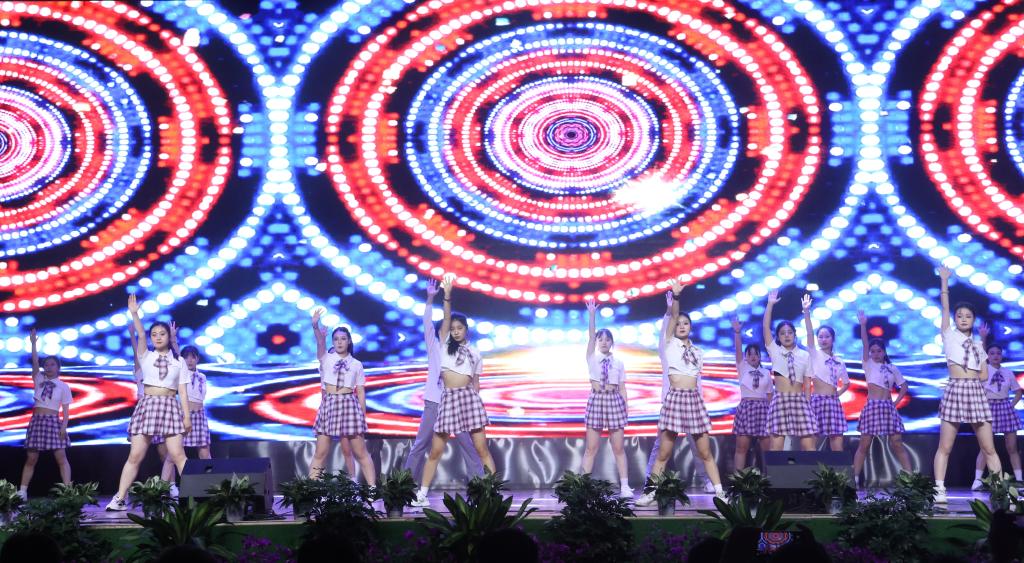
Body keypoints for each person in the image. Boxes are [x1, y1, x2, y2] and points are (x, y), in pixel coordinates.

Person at [637, 281, 725, 506]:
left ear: (691, 327)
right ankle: (650, 492)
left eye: (686, 323)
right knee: (663, 453)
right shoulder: (669, 344)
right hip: (675, 399)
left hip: (693, 400)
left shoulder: (698, 352)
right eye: (679, 324)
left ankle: (720, 493)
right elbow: (674, 316)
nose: (682, 326)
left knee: (705, 453)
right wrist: (676, 298)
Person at [411, 276, 496, 507]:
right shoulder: (444, 344)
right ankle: (421, 494)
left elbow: (476, 382)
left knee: (481, 449)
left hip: (469, 400)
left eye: (460, 328)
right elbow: (446, 317)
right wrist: (446, 296)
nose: (456, 331)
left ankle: (490, 493)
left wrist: (477, 403)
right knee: (435, 450)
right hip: (447, 399)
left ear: (466, 330)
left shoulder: (475, 353)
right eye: (453, 329)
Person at [106, 294, 190, 511]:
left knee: (178, 455)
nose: (158, 337)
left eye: (162, 334)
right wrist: (135, 314)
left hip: (170, 406)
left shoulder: (179, 361)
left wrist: (187, 417)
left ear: (169, 336)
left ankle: (194, 498)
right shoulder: (146, 355)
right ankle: (120, 498)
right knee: (135, 455)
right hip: (149, 405)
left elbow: (183, 391)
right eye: (155, 334)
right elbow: (140, 334)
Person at [933, 265, 1001, 503]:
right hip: (955, 389)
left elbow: (984, 375)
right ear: (955, 319)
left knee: (989, 448)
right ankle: (939, 490)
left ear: (973, 320)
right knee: (945, 446)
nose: (963, 319)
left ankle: (1001, 491)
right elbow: (945, 307)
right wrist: (944, 282)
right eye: (960, 315)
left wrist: (973, 373)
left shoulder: (979, 346)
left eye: (968, 316)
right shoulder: (949, 335)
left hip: (975, 392)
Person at [403, 280, 483, 482]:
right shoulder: (434, 346)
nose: (445, 333)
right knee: (420, 444)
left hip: (456, 404)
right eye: (442, 331)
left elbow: (471, 380)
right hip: (434, 402)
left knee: (468, 446)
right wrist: (430, 298)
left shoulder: (460, 352)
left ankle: (480, 486)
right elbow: (427, 323)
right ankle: (403, 486)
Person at [308, 308, 376, 485]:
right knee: (320, 453)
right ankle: (309, 492)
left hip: (349, 405)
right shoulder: (326, 358)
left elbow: (360, 392)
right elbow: (320, 343)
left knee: (360, 452)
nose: (339, 342)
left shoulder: (356, 364)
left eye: (343, 338)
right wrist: (315, 326)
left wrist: (362, 416)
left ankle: (372, 490)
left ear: (349, 341)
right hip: (330, 405)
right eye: (336, 339)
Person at [852, 310, 913, 485]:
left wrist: (895, 402)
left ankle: (911, 479)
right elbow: (864, 343)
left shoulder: (892, 368)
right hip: (872, 406)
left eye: (878, 351)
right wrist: (863, 324)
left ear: (884, 352)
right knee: (864, 444)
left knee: (897, 443)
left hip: (887, 408)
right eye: (873, 351)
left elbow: (904, 386)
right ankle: (853, 479)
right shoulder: (868, 364)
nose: (875, 354)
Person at [581, 297, 631, 497]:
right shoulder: (592, 358)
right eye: (600, 339)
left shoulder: (618, 362)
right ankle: (582, 488)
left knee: (618, 447)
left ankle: (625, 486)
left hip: (614, 401)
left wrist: (626, 407)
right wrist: (592, 315)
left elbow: (623, 388)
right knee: (591, 448)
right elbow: (590, 336)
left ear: (612, 343)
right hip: (596, 400)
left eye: (607, 339)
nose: (603, 342)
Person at [18, 329, 72, 499]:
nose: (48, 367)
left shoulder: (63, 386)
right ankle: (22, 492)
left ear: (58, 367)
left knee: (61, 458)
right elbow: (35, 361)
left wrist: (63, 427)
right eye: (46, 365)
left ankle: (68, 491)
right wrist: (33, 344)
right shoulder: (39, 379)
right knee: (31, 458)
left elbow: (66, 410)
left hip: (53, 422)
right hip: (37, 421)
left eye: (52, 364)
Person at [762, 290, 818, 451]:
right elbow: (765, 327)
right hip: (780, 400)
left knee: (809, 445)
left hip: (800, 400)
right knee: (776, 447)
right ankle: (777, 470)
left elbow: (807, 383)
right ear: (778, 337)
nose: (786, 336)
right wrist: (770, 304)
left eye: (789, 332)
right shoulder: (775, 351)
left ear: (794, 335)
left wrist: (806, 312)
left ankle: (809, 469)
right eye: (782, 333)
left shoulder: (804, 355)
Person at [972, 342, 1022, 489]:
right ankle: (977, 481)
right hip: (988, 407)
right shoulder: (983, 370)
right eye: (992, 353)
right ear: (987, 355)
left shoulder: (1007, 372)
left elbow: (1018, 392)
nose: (995, 356)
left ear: (1002, 356)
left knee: (1012, 447)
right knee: (985, 447)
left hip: (1005, 407)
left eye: (998, 353)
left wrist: (1010, 405)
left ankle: (1019, 480)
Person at [802, 297, 850, 452]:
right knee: (811, 442)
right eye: (820, 337)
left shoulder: (839, 361)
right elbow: (809, 333)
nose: (823, 340)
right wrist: (807, 312)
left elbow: (847, 383)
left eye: (827, 336)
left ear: (833, 339)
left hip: (833, 403)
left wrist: (837, 394)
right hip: (817, 401)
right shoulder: (814, 354)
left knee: (837, 443)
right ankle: (809, 467)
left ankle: (837, 469)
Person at [730, 316, 773, 471]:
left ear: (760, 356)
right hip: (746, 408)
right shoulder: (742, 368)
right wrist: (737, 333)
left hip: (763, 409)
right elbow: (738, 350)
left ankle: (771, 479)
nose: (753, 356)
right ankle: (738, 480)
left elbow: (770, 395)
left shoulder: (766, 373)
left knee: (767, 450)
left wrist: (773, 414)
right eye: (750, 354)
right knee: (742, 447)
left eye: (756, 354)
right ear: (746, 357)